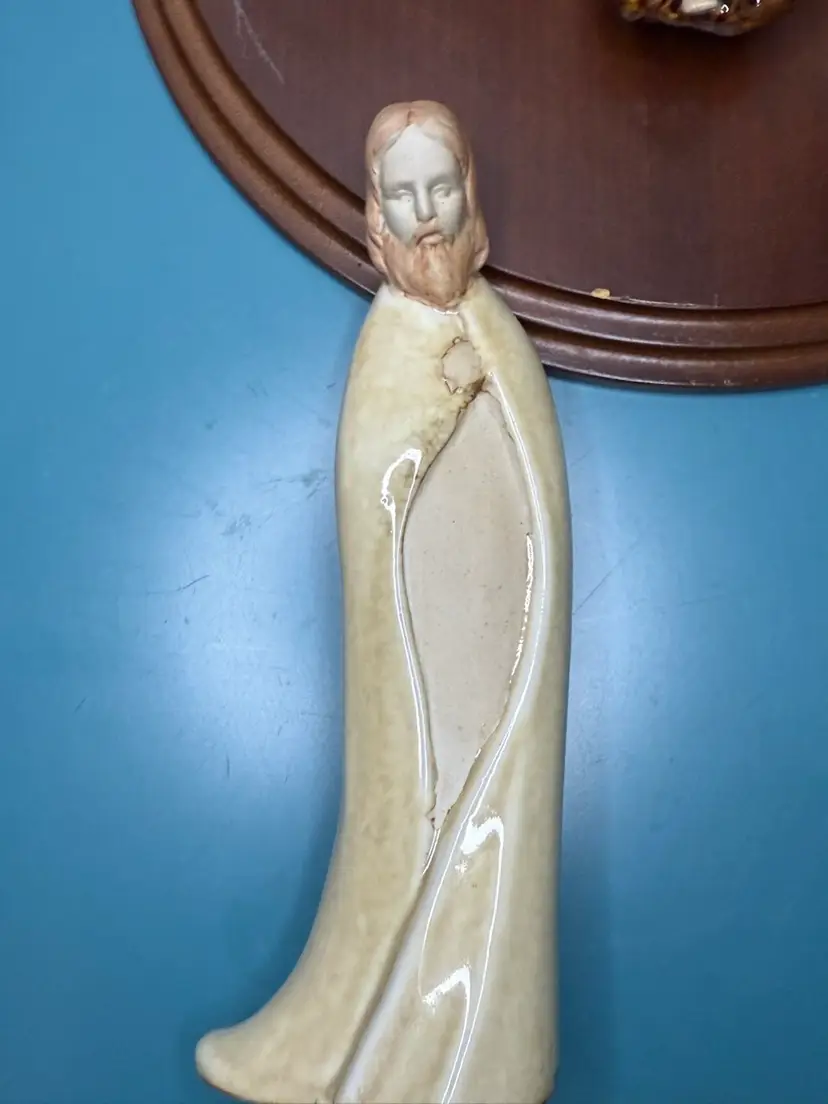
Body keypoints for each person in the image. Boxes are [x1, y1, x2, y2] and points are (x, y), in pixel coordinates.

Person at [196, 100, 571, 1104]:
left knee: (493, 840)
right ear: (377, 214)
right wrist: (438, 409)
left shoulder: (500, 335)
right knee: (404, 838)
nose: (427, 214)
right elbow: (376, 492)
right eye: (404, 196)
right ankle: (350, 1051)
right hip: (415, 666)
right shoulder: (390, 345)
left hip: (499, 664)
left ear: (470, 193)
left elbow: (540, 511)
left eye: (441, 187)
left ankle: (488, 1061)